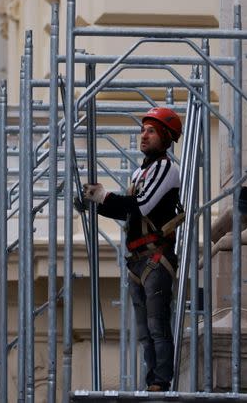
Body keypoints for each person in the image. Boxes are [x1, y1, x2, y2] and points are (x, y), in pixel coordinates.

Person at [81, 107, 183, 392]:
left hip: (155, 256)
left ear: (165, 137)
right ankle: (153, 379)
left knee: (157, 326)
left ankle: (161, 380)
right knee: (143, 332)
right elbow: (129, 214)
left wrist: (103, 197)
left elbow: (142, 206)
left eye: (151, 130)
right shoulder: (141, 172)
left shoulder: (165, 167)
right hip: (138, 259)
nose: (144, 135)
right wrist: (97, 203)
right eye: (143, 129)